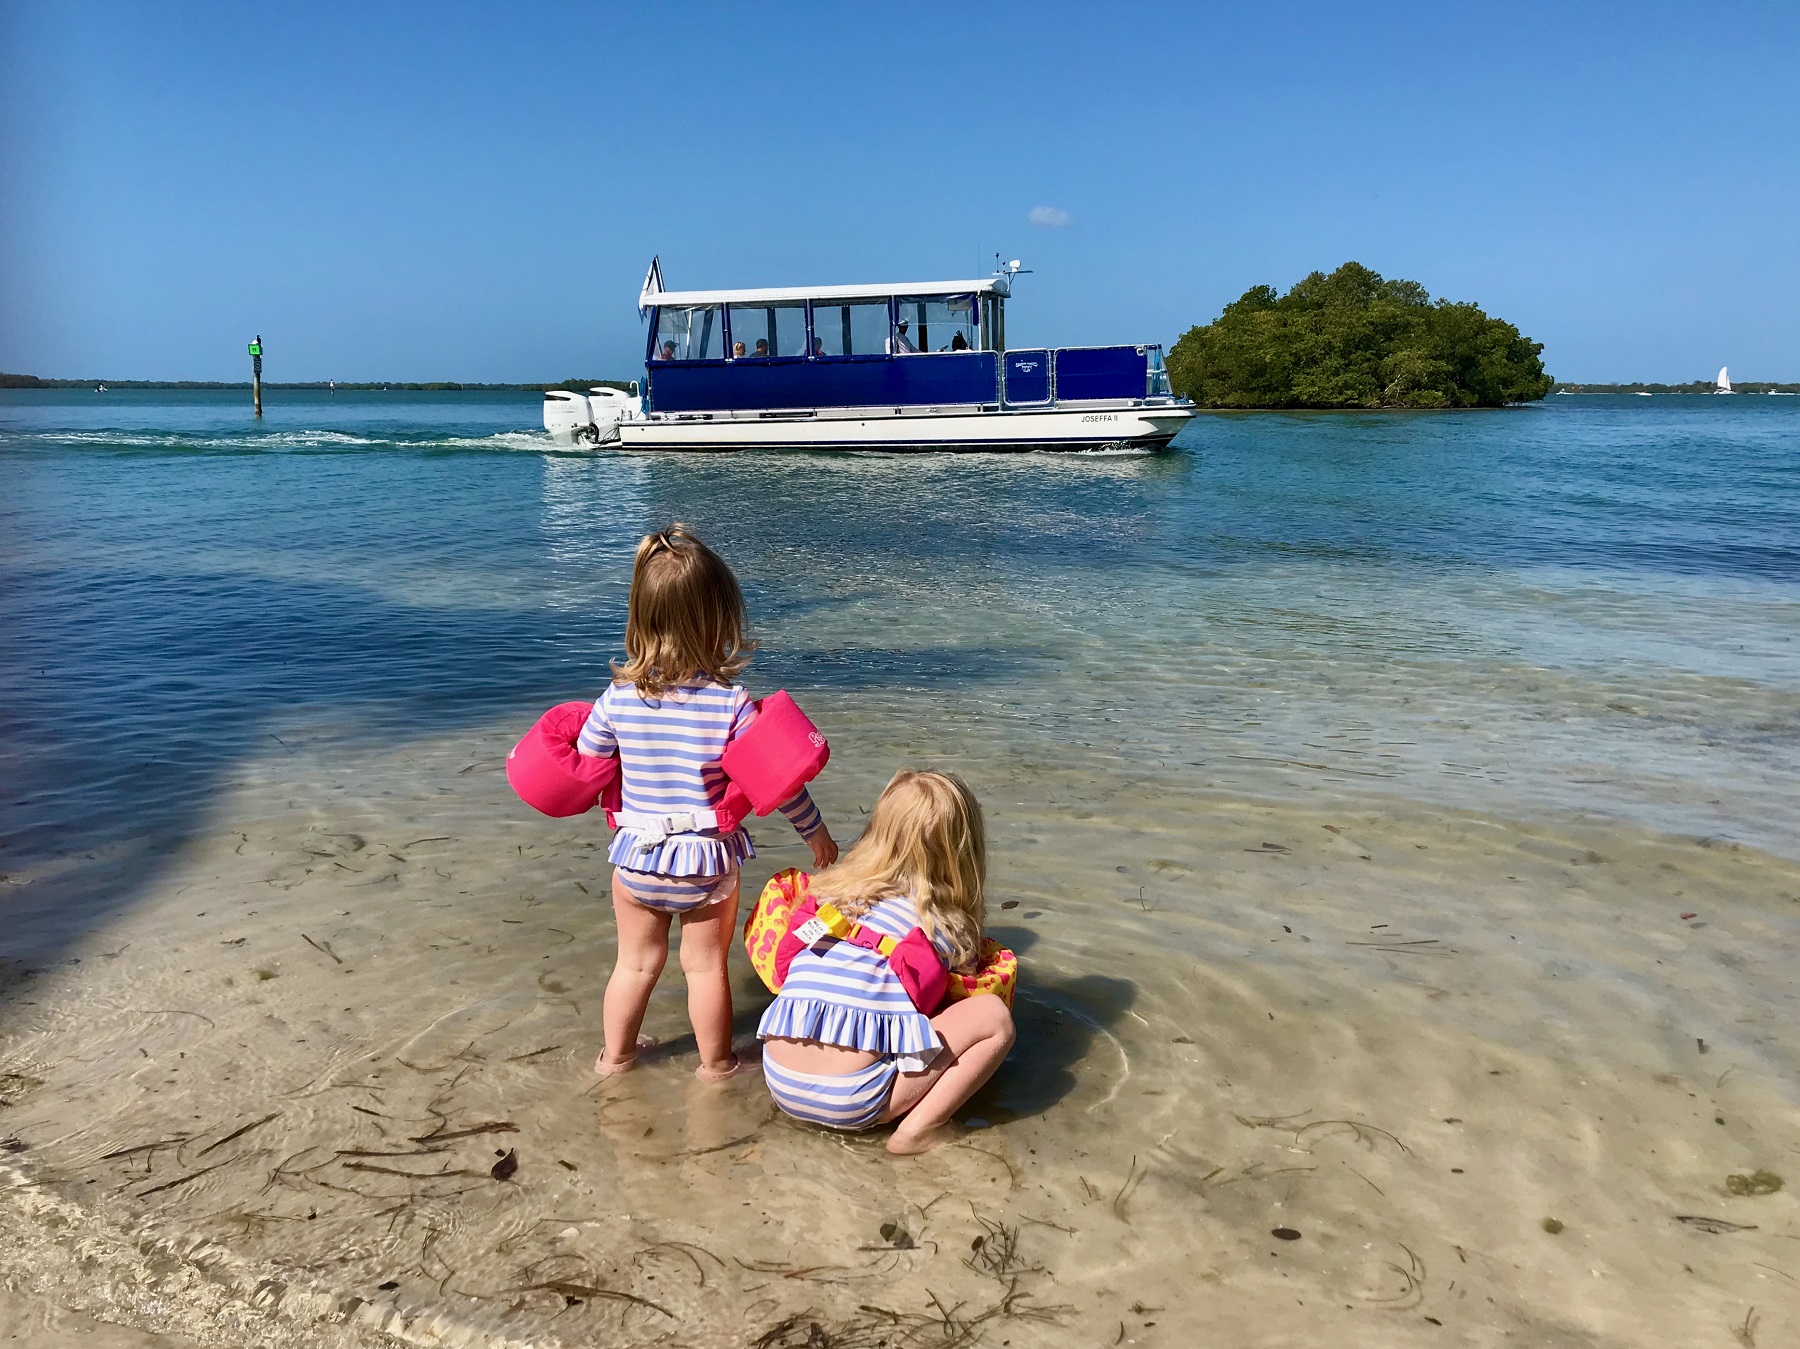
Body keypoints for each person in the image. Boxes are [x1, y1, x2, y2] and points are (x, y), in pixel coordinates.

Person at [578, 527, 838, 1082]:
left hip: (636, 857)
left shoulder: (616, 699)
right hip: (705, 864)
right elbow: (779, 782)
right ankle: (716, 1067)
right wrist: (815, 833)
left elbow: (586, 760)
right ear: (718, 621)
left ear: (641, 618)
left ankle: (615, 1060)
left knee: (634, 965)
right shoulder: (731, 705)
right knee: (703, 969)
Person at [758, 769, 1015, 1154]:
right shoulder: (941, 924)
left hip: (779, 1079)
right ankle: (917, 1132)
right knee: (994, 1019)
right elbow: (956, 990)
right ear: (963, 851)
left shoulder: (828, 897)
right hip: (854, 1099)